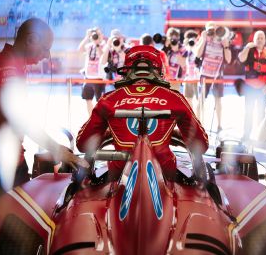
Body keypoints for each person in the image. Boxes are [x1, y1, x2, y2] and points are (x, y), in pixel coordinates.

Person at [0, 18, 85, 213]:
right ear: (31, 40)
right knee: (9, 223)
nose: (46, 55)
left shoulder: (10, 64)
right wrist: (57, 149)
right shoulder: (8, 68)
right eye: (45, 48)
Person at [76, 45, 208, 180]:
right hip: (165, 176)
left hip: (117, 176)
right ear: (158, 70)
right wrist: (173, 133)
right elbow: (201, 145)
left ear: (126, 70)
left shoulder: (108, 99)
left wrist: (110, 133)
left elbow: (83, 144)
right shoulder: (175, 98)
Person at [238, 30, 266, 141]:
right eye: (257, 38)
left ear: (265, 40)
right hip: (250, 88)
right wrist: (247, 47)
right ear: (254, 40)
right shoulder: (249, 50)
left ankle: (262, 135)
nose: (259, 40)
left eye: (261, 38)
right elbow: (241, 58)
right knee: (248, 111)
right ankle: (246, 134)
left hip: (263, 88)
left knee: (262, 111)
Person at [193, 21, 232, 130]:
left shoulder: (223, 39)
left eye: (215, 28)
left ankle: (219, 125)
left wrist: (226, 46)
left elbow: (228, 59)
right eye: (210, 29)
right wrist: (203, 39)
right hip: (204, 73)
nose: (213, 31)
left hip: (217, 74)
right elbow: (198, 54)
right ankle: (197, 123)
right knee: (201, 100)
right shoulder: (204, 38)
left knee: (218, 100)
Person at [78, 27, 106, 115]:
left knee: (100, 101)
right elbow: (80, 49)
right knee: (88, 99)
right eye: (95, 34)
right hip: (88, 77)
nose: (96, 36)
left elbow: (102, 55)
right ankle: (91, 118)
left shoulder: (104, 45)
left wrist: (97, 44)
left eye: (98, 34)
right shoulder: (89, 46)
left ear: (101, 35)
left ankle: (99, 120)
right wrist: (87, 37)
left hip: (99, 77)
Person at [182, 29, 200, 109]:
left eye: (194, 39)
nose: (192, 41)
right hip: (188, 78)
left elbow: (199, 56)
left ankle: (197, 119)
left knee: (198, 100)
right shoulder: (185, 49)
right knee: (188, 100)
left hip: (197, 78)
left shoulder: (198, 48)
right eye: (190, 39)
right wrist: (186, 46)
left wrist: (194, 46)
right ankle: (191, 118)